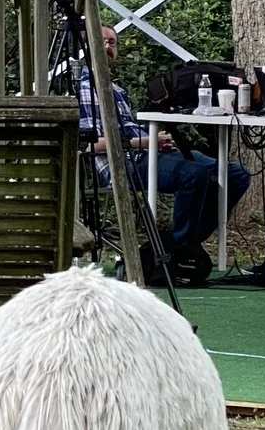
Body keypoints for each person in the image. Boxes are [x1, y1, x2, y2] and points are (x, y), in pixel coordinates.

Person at [77, 25, 251, 282]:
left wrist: (159, 139)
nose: (107, 47)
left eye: (112, 42)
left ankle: (178, 243)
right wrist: (147, 142)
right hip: (122, 164)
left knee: (236, 174)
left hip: (149, 152)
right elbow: (90, 146)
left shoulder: (117, 90)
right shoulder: (83, 88)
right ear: (86, 46)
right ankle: (179, 246)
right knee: (194, 173)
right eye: (101, 41)